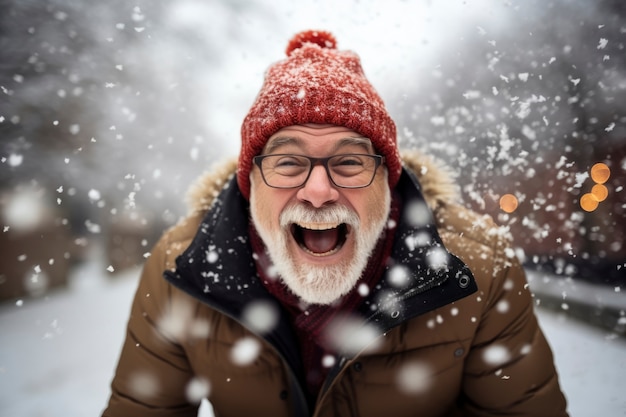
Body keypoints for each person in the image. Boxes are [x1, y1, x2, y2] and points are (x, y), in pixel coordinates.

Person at [102, 30, 569, 417]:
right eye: (288, 163)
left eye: (348, 162)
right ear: (251, 186)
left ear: (387, 183)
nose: (319, 191)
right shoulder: (182, 269)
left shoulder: (477, 270)